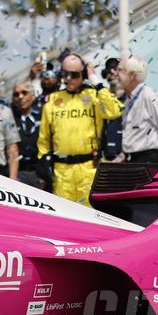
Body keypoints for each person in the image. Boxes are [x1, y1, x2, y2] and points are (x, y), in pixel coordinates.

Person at [37, 54, 122, 206]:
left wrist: (95, 79)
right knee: (65, 220)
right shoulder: (52, 100)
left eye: (74, 75)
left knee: (93, 216)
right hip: (62, 173)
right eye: (65, 74)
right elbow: (44, 139)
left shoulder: (94, 95)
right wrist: (43, 165)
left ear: (82, 74)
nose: (69, 78)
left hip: (90, 169)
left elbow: (114, 110)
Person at [118, 56, 158, 163]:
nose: (116, 74)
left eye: (120, 70)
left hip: (151, 158)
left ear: (132, 75)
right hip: (134, 159)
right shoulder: (128, 100)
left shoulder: (148, 95)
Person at [11, 81, 43, 188]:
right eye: (16, 94)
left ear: (33, 95)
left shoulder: (43, 115)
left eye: (24, 93)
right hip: (18, 172)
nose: (20, 97)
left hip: (40, 173)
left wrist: (44, 174)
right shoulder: (10, 118)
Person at [98, 57, 124, 161]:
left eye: (116, 69)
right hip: (108, 159)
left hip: (130, 159)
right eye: (109, 70)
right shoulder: (101, 98)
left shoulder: (134, 97)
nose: (112, 72)